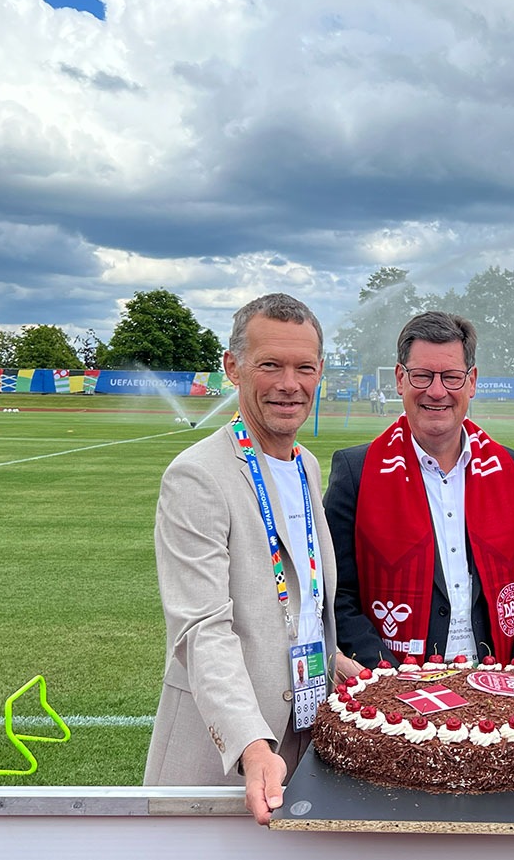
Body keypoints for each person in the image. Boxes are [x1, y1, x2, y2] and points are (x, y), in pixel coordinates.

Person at [144, 293, 350, 826]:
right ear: (233, 368)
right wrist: (253, 746)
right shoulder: (198, 476)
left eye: (304, 367)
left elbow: (296, 604)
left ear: (320, 372)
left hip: (304, 744)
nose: (290, 384)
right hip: (227, 763)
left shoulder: (306, 464)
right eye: (270, 366)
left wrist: (338, 665)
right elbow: (202, 629)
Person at [323, 311, 514, 667]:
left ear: (472, 381)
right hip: (396, 687)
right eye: (422, 376)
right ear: (401, 379)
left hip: (500, 684)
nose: (437, 391)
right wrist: (385, 678)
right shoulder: (355, 472)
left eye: (451, 377)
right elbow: (337, 594)